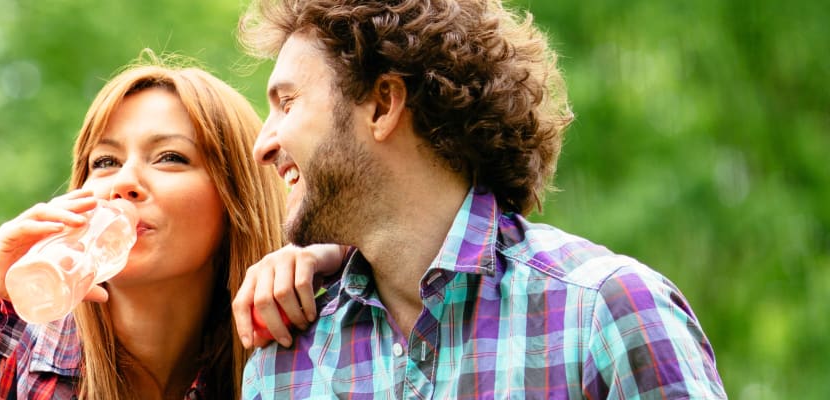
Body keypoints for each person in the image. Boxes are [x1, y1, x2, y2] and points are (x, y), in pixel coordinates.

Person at [226, 0, 728, 398]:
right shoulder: (284, 369)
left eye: (287, 103)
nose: (262, 144)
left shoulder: (607, 314)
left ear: (382, 104)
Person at [0, 53, 311, 399]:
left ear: (236, 199)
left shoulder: (292, 353)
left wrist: (323, 258)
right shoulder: (11, 357)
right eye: (105, 162)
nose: (124, 183)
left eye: (169, 157)